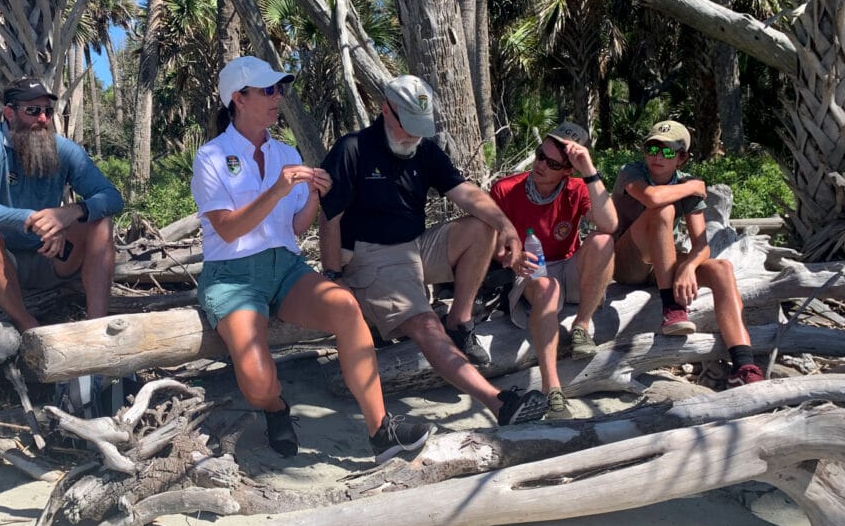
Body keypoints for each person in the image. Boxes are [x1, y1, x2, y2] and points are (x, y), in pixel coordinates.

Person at [191, 56, 433, 463]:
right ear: (239, 98)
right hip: (232, 276)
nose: (278, 97)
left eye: (279, 89)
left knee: (345, 307)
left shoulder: (286, 151)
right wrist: (276, 192)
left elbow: (297, 228)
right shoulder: (211, 157)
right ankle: (275, 408)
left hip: (286, 269)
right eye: (268, 90)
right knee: (258, 385)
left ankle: (381, 429)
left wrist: (318, 196)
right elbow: (229, 230)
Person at [319, 74, 549, 426]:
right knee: (426, 324)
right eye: (407, 125)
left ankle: (460, 321)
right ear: (385, 110)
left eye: (419, 126)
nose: (413, 135)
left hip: (415, 247)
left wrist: (506, 226)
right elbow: (329, 219)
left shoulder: (425, 150)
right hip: (371, 256)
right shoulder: (353, 148)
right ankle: (499, 403)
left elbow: (465, 192)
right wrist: (333, 277)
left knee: (482, 223)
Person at [0, 77, 124, 414]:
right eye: (33, 110)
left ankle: (96, 330)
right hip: (0, 260)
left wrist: (71, 212)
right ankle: (29, 326)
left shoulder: (64, 150)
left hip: (51, 258)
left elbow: (111, 197)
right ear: (9, 113)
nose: (43, 118)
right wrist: (27, 218)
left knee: (99, 221)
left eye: (48, 110)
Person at [611, 120, 762, 386]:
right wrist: (693, 187)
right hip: (625, 262)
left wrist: (688, 267)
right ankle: (672, 307)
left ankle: (744, 364)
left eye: (667, 151)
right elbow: (653, 199)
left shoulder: (686, 185)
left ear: (682, 158)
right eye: (652, 148)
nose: (658, 156)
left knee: (722, 269)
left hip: (662, 264)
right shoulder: (631, 172)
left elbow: (701, 245)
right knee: (663, 209)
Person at [489, 122, 618, 418]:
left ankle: (581, 327)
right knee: (548, 287)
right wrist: (510, 257)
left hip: (568, 266)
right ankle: (552, 390)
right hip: (528, 272)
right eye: (539, 155)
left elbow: (610, 225)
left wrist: (590, 172)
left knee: (602, 240)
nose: (541, 165)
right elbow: (488, 242)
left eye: (552, 162)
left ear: (567, 170)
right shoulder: (506, 189)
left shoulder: (577, 188)